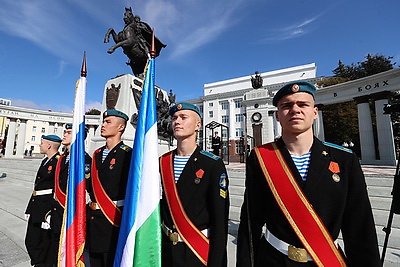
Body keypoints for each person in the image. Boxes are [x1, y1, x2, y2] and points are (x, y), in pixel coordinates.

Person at [236, 81, 381, 266]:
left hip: (326, 260)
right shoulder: (260, 158)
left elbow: (360, 227)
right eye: (287, 106)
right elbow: (251, 221)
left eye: (303, 104)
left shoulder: (344, 159)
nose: (295, 110)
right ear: (278, 116)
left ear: (314, 113)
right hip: (274, 260)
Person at [160, 102, 230, 267]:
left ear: (198, 125)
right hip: (166, 251)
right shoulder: (163, 162)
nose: (177, 121)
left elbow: (220, 220)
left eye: (184, 117)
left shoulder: (212, 164)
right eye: (175, 118)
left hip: (195, 252)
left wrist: (216, 262)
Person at [86, 109, 132, 267]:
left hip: (112, 221)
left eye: (108, 122)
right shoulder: (97, 154)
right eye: (103, 122)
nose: (103, 125)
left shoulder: (128, 155)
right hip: (93, 219)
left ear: (121, 127)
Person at [50, 123, 91, 265]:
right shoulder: (62, 158)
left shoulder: (84, 160)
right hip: (57, 213)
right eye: (65, 131)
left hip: (70, 214)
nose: (65, 134)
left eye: (68, 132)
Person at [25, 134, 61, 267]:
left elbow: (56, 190)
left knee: (43, 243)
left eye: (42, 143)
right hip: (37, 207)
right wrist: (30, 208)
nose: (40, 145)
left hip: (46, 209)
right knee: (32, 241)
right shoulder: (45, 161)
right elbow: (37, 187)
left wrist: (49, 214)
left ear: (49, 145)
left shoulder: (58, 161)